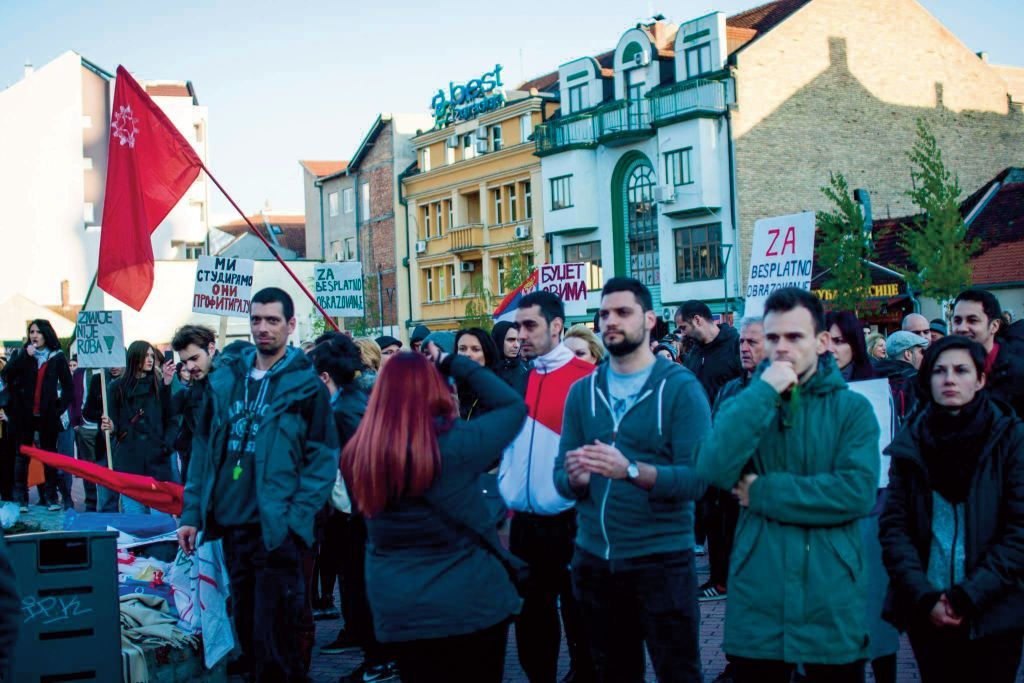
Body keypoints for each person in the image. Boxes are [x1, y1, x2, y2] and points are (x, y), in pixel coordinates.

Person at [696, 287, 880, 683]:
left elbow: (855, 493)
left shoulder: (852, 409)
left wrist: (762, 492)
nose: (782, 348)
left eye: (795, 337)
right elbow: (712, 467)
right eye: (773, 337)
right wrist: (763, 393)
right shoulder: (746, 402)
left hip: (829, 598)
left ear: (822, 341)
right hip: (760, 597)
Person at [177, 287, 339, 681]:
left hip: (277, 530)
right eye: (256, 319)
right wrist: (192, 513)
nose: (262, 328)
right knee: (247, 633)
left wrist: (297, 520)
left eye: (272, 320)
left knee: (276, 637)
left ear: (290, 324)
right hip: (233, 525)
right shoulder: (226, 381)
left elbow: (322, 460)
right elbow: (203, 451)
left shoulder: (305, 386)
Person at [554, 278, 711, 683]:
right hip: (595, 562)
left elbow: (698, 479)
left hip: (661, 561)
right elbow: (560, 479)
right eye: (604, 313)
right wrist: (575, 479)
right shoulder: (582, 392)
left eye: (623, 312)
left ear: (649, 319)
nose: (610, 321)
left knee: (678, 673)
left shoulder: (680, 388)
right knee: (614, 674)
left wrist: (632, 471)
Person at [342, 346, 527, 683]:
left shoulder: (358, 453)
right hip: (472, 602)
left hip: (403, 607)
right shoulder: (459, 443)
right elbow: (513, 406)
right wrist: (454, 362)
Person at [880, 335, 1024, 683]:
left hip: (994, 610)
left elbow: (1019, 531)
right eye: (939, 371)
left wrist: (968, 596)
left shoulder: (1010, 438)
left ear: (981, 378)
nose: (949, 379)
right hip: (926, 607)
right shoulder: (911, 440)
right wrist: (925, 595)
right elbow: (894, 527)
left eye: (961, 370)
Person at [501, 290, 597, 683]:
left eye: (530, 326)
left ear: (556, 326)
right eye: (517, 326)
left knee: (580, 617)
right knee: (531, 622)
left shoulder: (588, 380)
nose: (520, 334)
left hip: (571, 522)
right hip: (524, 525)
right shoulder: (518, 380)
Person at [310, 336, 397, 683]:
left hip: (364, 513)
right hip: (368, 511)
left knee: (365, 589)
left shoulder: (345, 409)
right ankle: (380, 657)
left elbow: (362, 463)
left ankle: (379, 661)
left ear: (326, 376)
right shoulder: (356, 400)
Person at [697, 317, 767, 608]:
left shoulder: (781, 390)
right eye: (742, 341)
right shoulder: (730, 388)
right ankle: (721, 580)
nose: (744, 348)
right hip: (725, 486)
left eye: (753, 342)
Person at [1, 319, 74, 512]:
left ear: (46, 334)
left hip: (47, 415)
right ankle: (21, 500)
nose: (34, 336)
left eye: (38, 332)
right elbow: (6, 374)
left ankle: (50, 498)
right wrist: (25, 356)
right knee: (22, 455)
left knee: (49, 455)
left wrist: (58, 408)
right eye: (31, 332)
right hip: (24, 414)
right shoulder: (23, 354)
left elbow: (68, 387)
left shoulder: (57, 357)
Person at [101, 341, 175, 514]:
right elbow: (114, 422)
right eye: (145, 356)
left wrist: (167, 445)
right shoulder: (116, 387)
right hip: (129, 459)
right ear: (134, 357)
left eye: (151, 356)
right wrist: (110, 427)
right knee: (134, 515)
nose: (150, 360)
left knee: (161, 516)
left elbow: (170, 417)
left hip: (156, 459)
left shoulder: (159, 384)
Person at [951, 289, 1024, 417]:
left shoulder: (1018, 374)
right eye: (957, 321)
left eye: (972, 320)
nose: (962, 328)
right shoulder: (943, 370)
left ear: (994, 326)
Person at [169, 324, 217, 484]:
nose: (189, 367)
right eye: (184, 361)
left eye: (194, 358)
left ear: (211, 349)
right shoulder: (193, 389)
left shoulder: (234, 383)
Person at [675, 301, 742, 406]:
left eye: (683, 328)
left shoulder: (736, 346)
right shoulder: (693, 353)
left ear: (697, 320)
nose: (683, 334)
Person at [81, 365, 124, 512]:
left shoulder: (131, 381)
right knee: (106, 495)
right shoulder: (98, 380)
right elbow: (88, 412)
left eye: (117, 363)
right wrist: (103, 412)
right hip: (104, 444)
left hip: (126, 446)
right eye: (110, 364)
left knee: (128, 500)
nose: (114, 367)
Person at [876, 331, 928, 428]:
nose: (924, 356)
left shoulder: (873, 375)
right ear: (908, 354)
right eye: (921, 352)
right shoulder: (915, 379)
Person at [454, 328, 499, 419]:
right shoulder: (448, 386)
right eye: (462, 349)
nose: (467, 354)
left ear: (487, 355)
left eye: (475, 349)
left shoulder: (499, 391)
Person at [826, 310, 878, 381]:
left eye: (838, 341)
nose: (829, 349)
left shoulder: (876, 384)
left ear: (855, 346)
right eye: (823, 342)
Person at [491, 321, 529, 394]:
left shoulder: (525, 372)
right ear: (499, 340)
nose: (516, 345)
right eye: (511, 340)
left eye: (518, 340)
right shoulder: (485, 370)